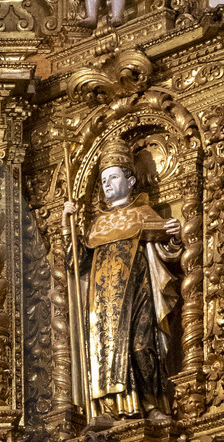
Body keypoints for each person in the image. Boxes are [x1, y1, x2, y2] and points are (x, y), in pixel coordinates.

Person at [63, 137, 183, 426]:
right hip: (102, 304)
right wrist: (68, 227)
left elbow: (168, 252)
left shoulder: (144, 214)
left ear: (130, 181)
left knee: (142, 347)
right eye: (103, 179)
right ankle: (110, 409)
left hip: (138, 293)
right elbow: (76, 264)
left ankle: (150, 403)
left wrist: (175, 233)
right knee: (104, 352)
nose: (106, 184)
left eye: (113, 177)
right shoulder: (96, 226)